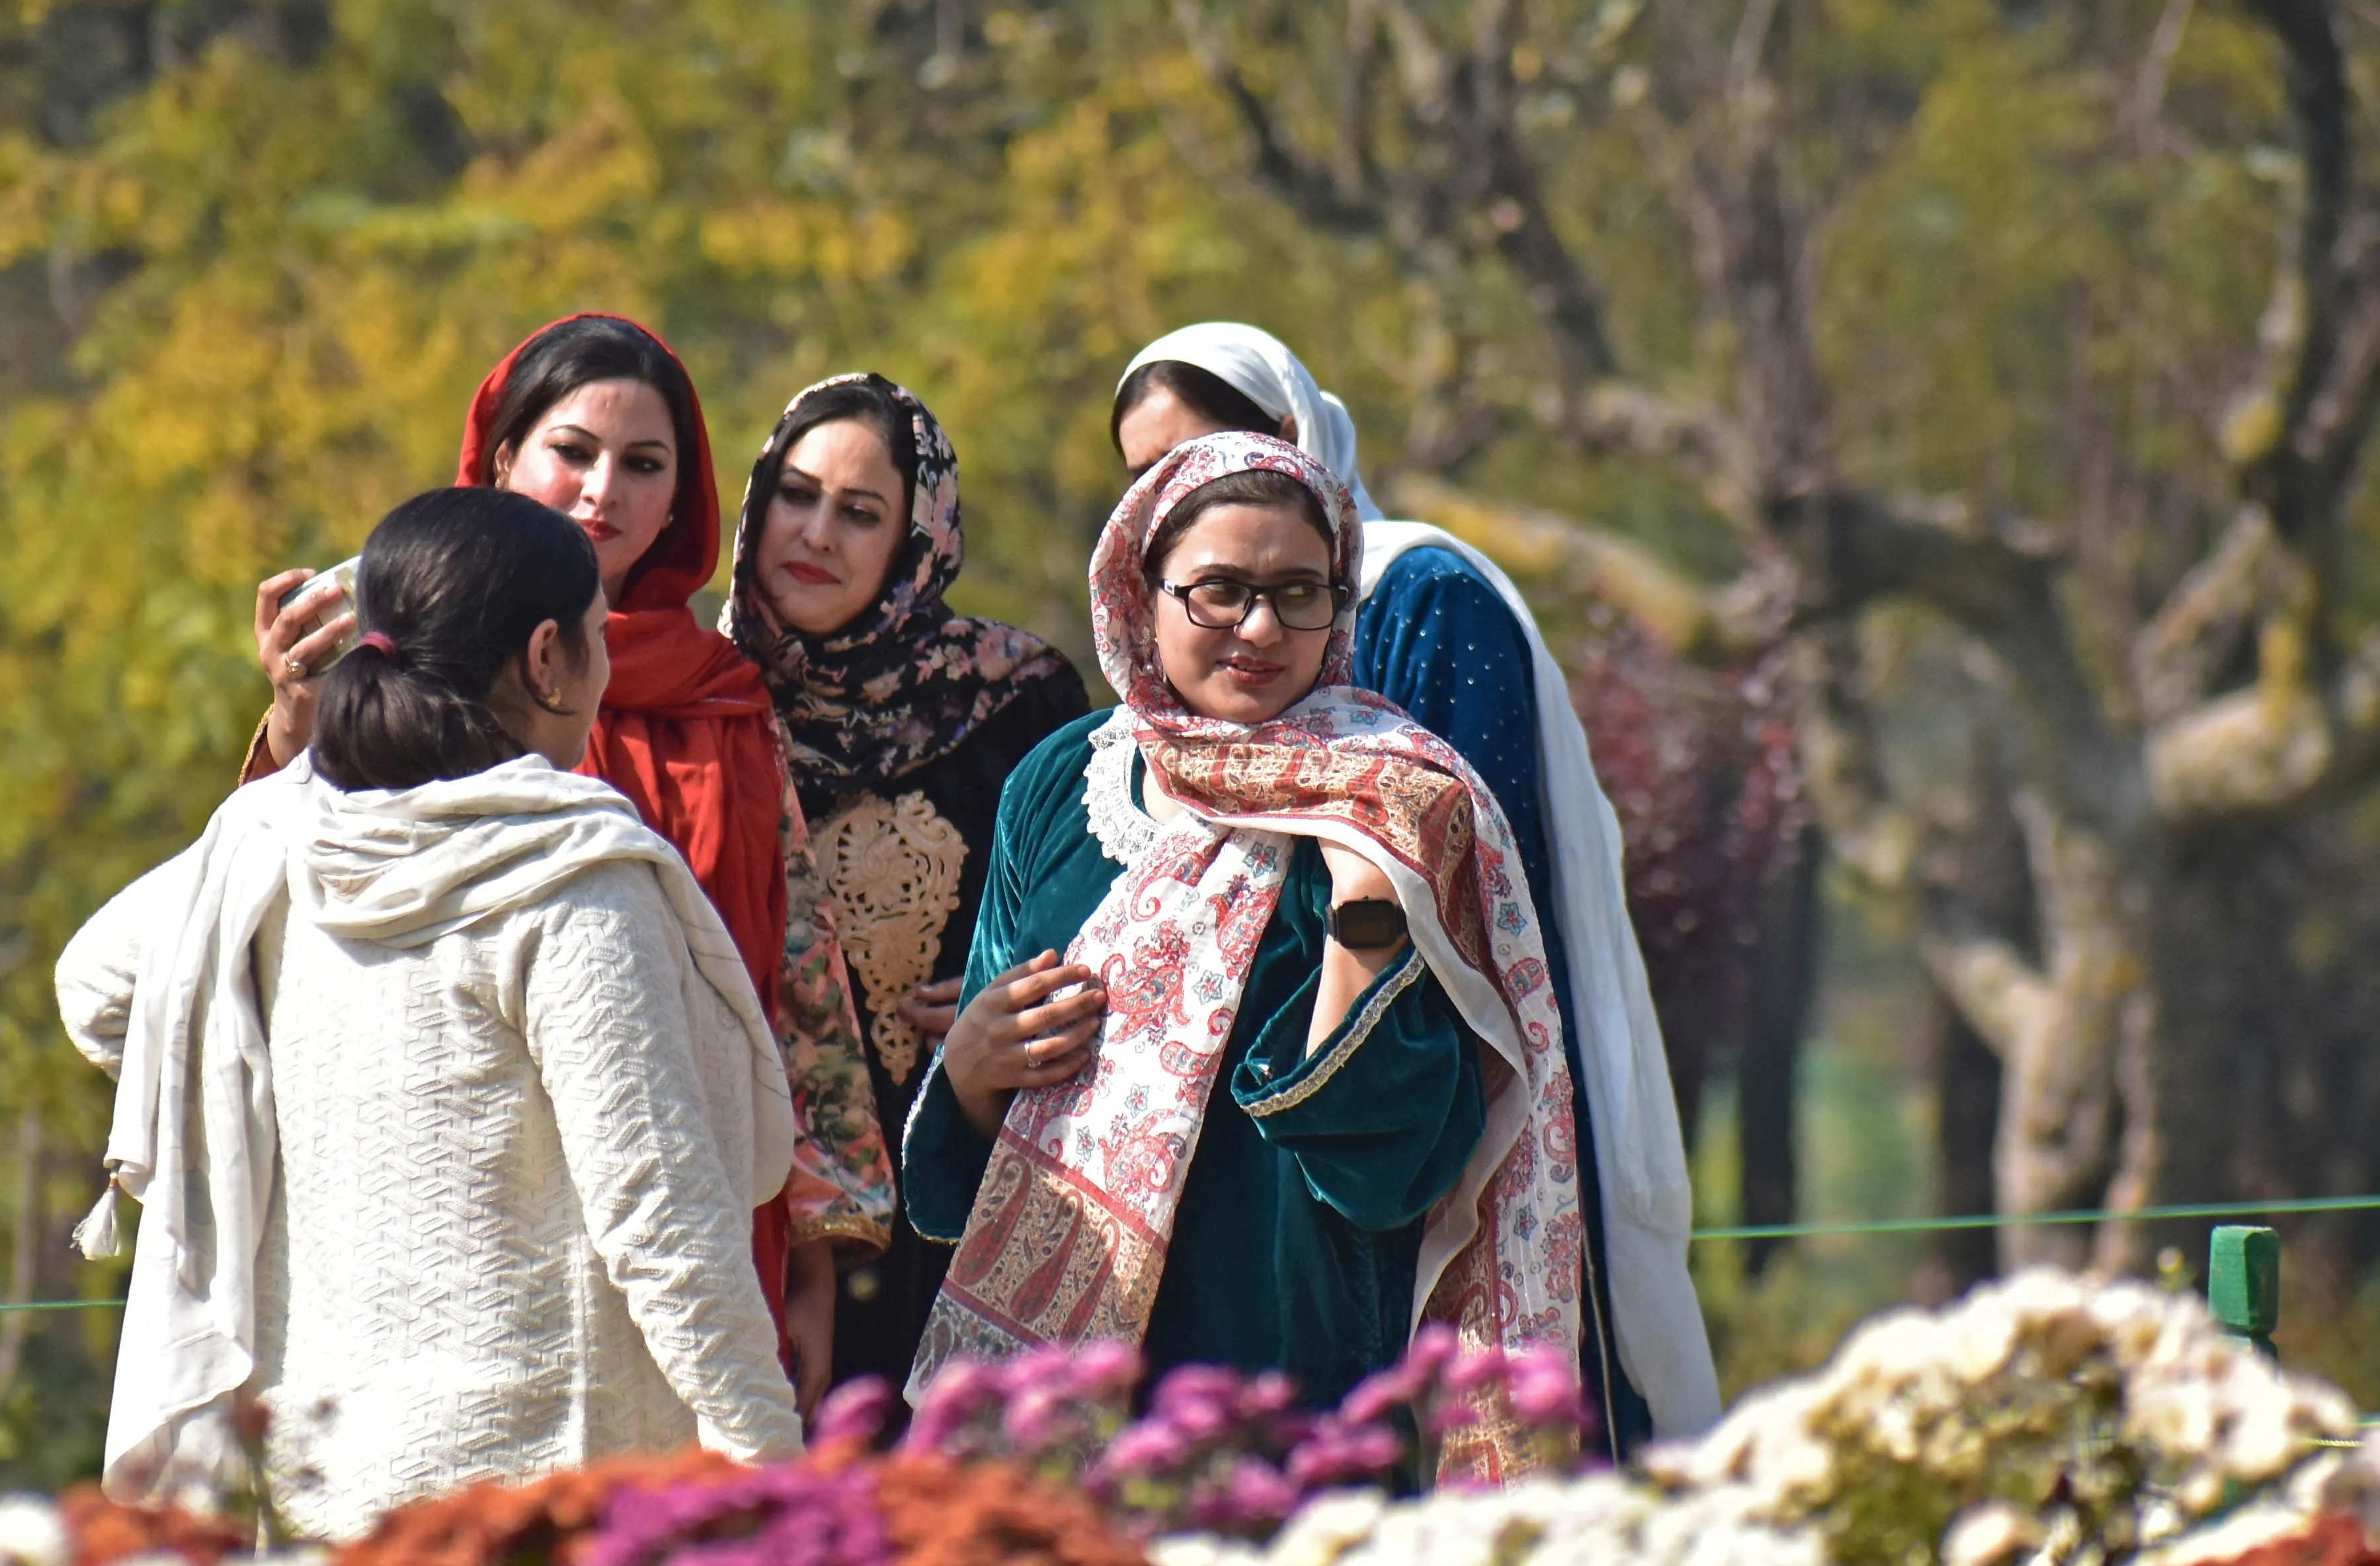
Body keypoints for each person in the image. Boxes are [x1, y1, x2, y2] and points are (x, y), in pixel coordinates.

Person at [59, 487, 799, 1536]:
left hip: (327, 1488)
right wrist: (773, 1468)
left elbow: (97, 989)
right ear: (547, 659)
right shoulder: (568, 880)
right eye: (595, 640)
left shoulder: (281, 844)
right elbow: (662, 1222)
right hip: (546, 1509)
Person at [244, 315, 890, 1416]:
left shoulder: (722, 692)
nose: (605, 492)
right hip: (456, 1190)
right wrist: (295, 719)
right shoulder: (405, 664)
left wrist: (814, 1239)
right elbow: (283, 909)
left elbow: (791, 971)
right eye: (573, 452)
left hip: (699, 1193)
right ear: (502, 459)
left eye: (645, 466)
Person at [1111, 324, 1720, 1444]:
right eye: (1145, 474)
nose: (1184, 490)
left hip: (1432, 1074)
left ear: (1296, 438)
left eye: (1208, 450)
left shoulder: (1417, 593)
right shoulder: (1157, 660)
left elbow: (1471, 858)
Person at [902, 432, 1582, 1412]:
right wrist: (967, 1070)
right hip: (1061, 1384)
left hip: (1293, 1379)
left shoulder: (1396, 804)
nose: (1260, 629)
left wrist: (1365, 919)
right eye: (1220, 590)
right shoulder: (1059, 782)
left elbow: (1391, 1176)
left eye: (1301, 592)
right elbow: (977, 1145)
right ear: (1143, 594)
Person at [722, 372, 1091, 1387]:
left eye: (861, 514)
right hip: (748, 1187)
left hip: (959, 1181)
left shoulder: (1015, 701)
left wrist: (998, 991)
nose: (817, 536)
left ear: (915, 541)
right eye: (796, 496)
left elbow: (1092, 925)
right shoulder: (698, 702)